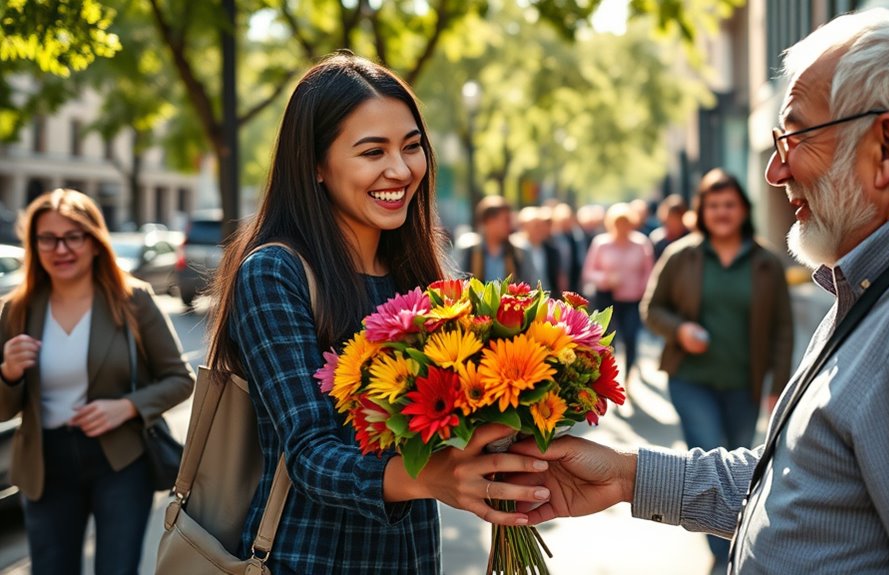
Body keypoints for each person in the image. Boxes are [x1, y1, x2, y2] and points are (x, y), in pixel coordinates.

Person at [509, 9, 889, 574]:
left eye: (795, 136)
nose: (777, 171)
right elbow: (808, 490)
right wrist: (628, 476)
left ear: (887, 147)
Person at [204, 52, 551, 574]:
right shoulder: (275, 272)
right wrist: (431, 478)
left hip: (410, 556)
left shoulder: (419, 271)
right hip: (309, 558)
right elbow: (309, 456)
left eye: (412, 147)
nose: (400, 169)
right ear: (316, 165)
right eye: (372, 151)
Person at [0, 189, 194, 575]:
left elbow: (180, 379)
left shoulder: (132, 299)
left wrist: (126, 406)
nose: (61, 248)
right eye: (48, 238)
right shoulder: (17, 309)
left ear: (94, 240)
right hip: (45, 463)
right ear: (34, 245)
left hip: (120, 461)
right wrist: (8, 373)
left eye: (74, 236)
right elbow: (4, 409)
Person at [640, 168, 793, 568]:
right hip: (691, 381)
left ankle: (729, 545)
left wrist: (779, 385)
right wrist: (680, 329)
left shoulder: (766, 263)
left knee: (738, 467)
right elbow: (651, 309)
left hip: (745, 383)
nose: (722, 213)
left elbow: (782, 327)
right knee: (710, 456)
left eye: (730, 205)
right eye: (713, 205)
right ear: (701, 211)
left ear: (744, 208)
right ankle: (725, 555)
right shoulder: (682, 255)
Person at [581, 202, 655, 386]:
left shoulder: (641, 243)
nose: (622, 227)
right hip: (607, 299)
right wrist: (604, 279)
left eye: (625, 222)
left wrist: (642, 289)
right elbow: (589, 272)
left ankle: (628, 378)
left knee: (630, 338)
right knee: (607, 342)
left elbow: (650, 272)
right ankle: (606, 380)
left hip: (632, 300)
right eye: (618, 223)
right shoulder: (601, 243)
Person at [457, 195, 538, 284]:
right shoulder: (469, 251)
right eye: (506, 220)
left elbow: (528, 285)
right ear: (489, 221)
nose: (510, 225)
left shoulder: (519, 252)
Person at [648, 193, 689, 261]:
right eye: (671, 218)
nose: (673, 223)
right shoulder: (657, 240)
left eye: (676, 218)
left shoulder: (690, 238)